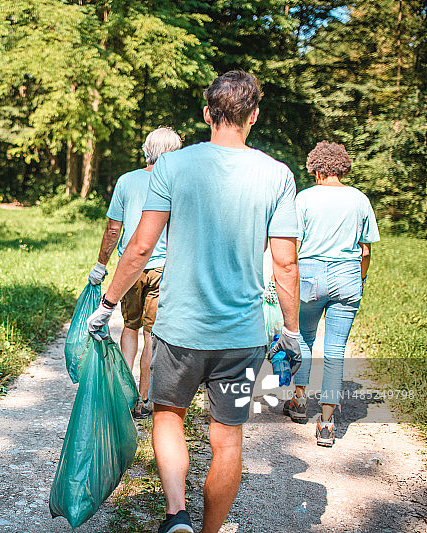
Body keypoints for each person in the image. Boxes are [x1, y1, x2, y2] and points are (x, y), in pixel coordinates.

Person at [86, 71, 302, 533]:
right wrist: (291, 331)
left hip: (179, 331)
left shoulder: (172, 167)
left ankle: (176, 514)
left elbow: (140, 247)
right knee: (228, 440)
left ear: (208, 114)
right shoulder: (278, 175)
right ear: (254, 116)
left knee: (167, 416)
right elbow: (285, 264)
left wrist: (107, 305)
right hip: (242, 338)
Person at [281, 141, 379, 447]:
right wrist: (360, 278)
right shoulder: (359, 199)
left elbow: (292, 245)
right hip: (348, 275)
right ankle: (326, 423)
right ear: (343, 167)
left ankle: (299, 402)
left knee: (305, 339)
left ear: (314, 167)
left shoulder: (304, 199)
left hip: (310, 276)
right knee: (336, 348)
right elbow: (365, 250)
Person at [88, 127, 182, 419]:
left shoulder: (126, 181)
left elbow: (113, 229)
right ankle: (144, 399)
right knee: (153, 334)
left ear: (146, 149)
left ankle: (123, 397)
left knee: (130, 327)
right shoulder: (179, 184)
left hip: (131, 269)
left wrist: (101, 265)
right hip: (165, 270)